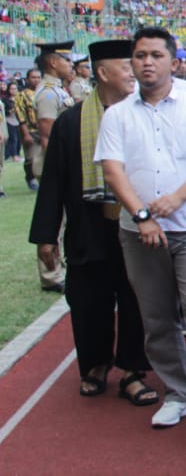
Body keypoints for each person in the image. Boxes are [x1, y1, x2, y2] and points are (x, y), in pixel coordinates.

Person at [95, 26, 186, 436]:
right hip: (139, 233)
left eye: (156, 55)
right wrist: (142, 215)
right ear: (131, 63)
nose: (147, 62)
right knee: (156, 317)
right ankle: (177, 393)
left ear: (173, 62)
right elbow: (112, 170)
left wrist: (176, 199)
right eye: (139, 56)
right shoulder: (117, 115)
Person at [28, 39, 154, 405]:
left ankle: (133, 370)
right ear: (102, 73)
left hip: (135, 223)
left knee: (135, 300)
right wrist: (46, 236)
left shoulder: (145, 113)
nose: (134, 72)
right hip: (88, 226)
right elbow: (53, 181)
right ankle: (95, 366)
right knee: (88, 301)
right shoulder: (72, 121)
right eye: (126, 66)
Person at [33, 39, 76, 292]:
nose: (69, 64)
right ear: (52, 62)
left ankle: (58, 268)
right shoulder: (49, 93)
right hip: (53, 165)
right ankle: (51, 276)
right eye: (65, 60)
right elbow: (49, 137)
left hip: (60, 164)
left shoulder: (59, 89)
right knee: (53, 219)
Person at [14, 68, 40, 190]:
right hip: (31, 130)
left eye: (38, 77)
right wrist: (25, 134)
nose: (36, 80)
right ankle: (31, 178)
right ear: (27, 79)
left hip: (44, 130)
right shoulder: (22, 95)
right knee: (32, 158)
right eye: (33, 77)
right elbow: (21, 116)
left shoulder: (43, 93)